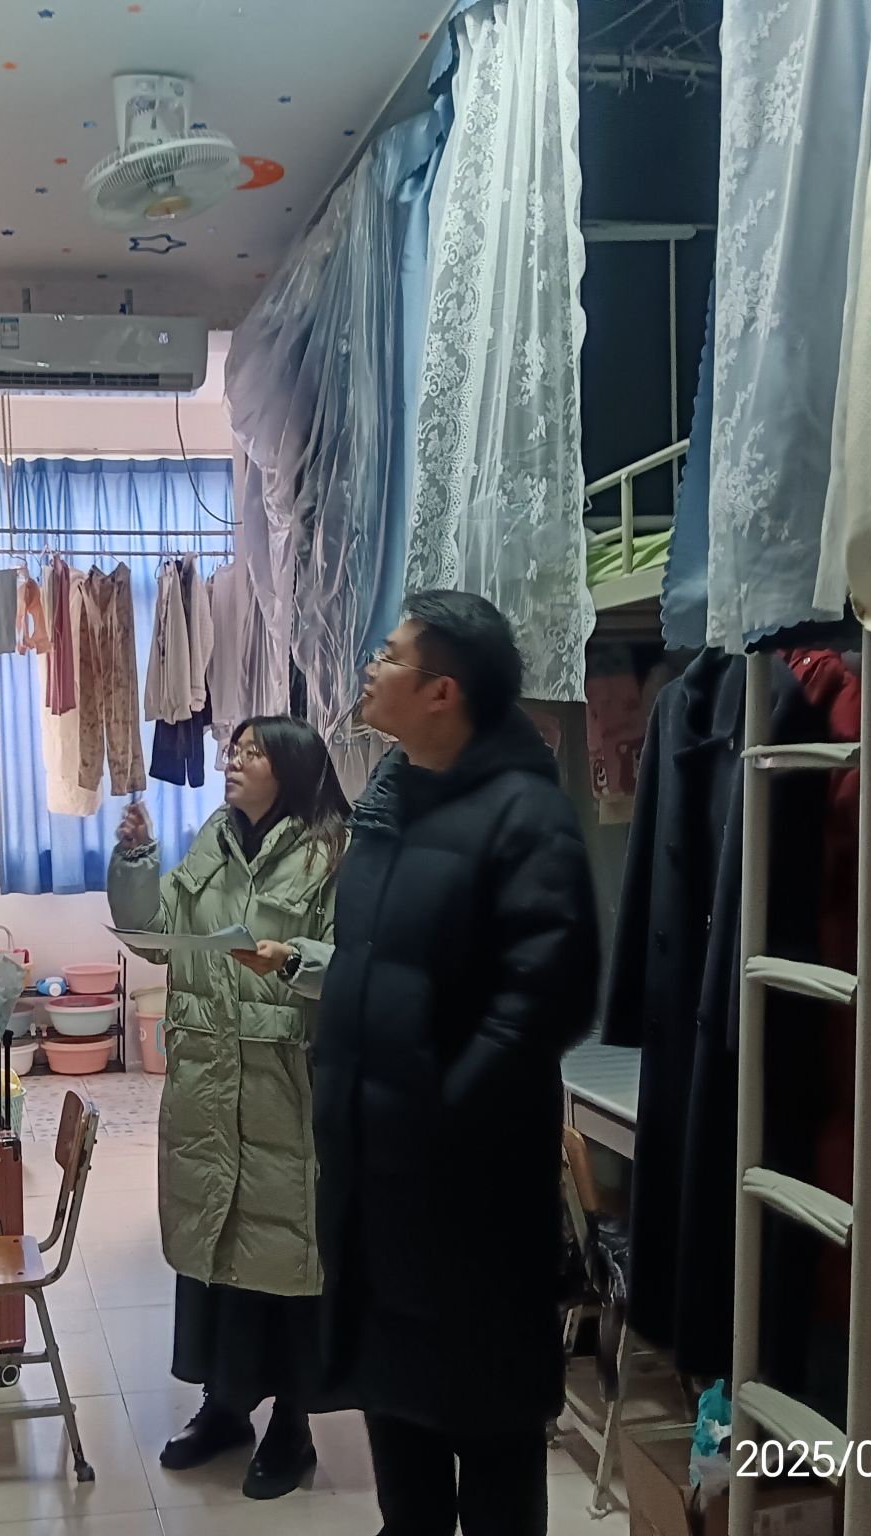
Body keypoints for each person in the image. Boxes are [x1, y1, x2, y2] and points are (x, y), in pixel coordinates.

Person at [236, 591, 600, 1536]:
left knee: (492, 1447)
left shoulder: (527, 817)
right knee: (403, 1449)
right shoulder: (391, 808)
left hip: (473, 1206)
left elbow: (547, 1000)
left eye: (391, 655)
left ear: (443, 691)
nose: (372, 666)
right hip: (378, 1195)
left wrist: (440, 1118)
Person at [107, 715, 350, 1500]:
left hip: (285, 1088)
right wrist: (136, 859)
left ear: (293, 768)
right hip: (206, 1084)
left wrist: (292, 959)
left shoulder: (329, 853)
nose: (232, 761)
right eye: (233, 750)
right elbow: (154, 937)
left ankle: (292, 1427)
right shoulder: (211, 841)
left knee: (283, 1260)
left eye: (252, 752)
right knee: (212, 1252)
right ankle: (224, 1407)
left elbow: (354, 964)